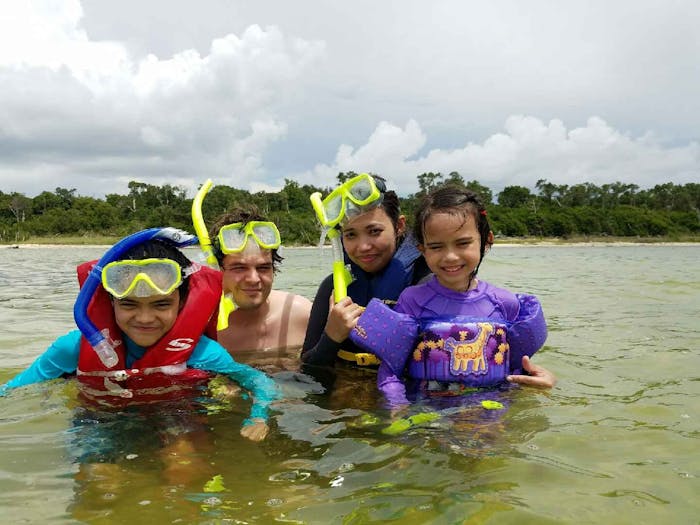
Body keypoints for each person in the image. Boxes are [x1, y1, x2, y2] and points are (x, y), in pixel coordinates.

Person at [0, 228, 279, 442]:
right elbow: (13, 391)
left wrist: (258, 416)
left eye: (161, 304)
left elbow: (260, 382)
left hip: (176, 415)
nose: (145, 318)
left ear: (181, 303)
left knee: (184, 468)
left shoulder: (202, 351)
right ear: (111, 302)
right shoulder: (73, 347)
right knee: (100, 483)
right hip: (99, 420)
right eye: (129, 304)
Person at [349, 185, 556, 407]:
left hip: (489, 416)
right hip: (428, 415)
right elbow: (391, 371)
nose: (450, 256)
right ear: (422, 249)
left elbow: (517, 370)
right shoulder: (412, 300)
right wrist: (397, 408)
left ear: (486, 242)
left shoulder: (506, 303)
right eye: (436, 247)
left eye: (463, 243)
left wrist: (544, 380)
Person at [301, 174, 431, 367]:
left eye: (374, 231)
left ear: (399, 226)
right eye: (351, 234)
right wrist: (332, 336)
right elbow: (308, 370)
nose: (363, 246)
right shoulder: (332, 288)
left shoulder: (426, 283)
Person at [209, 208, 312, 360]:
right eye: (239, 268)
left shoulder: (300, 313)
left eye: (263, 267)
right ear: (217, 270)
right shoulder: (202, 328)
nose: (253, 279)